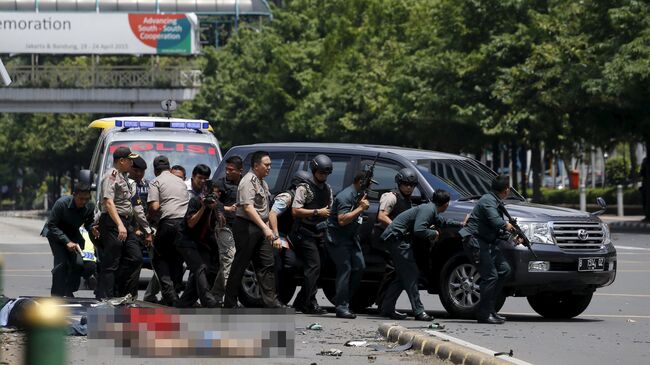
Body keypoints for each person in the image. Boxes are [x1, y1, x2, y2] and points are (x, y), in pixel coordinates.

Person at [380, 190, 463, 320]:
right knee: (412, 275)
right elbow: (419, 230)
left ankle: (387, 308)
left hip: (397, 240)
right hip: (397, 240)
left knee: (401, 277)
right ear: (446, 204)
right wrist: (433, 233)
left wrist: (461, 224)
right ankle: (419, 311)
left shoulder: (431, 209)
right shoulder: (428, 210)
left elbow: (443, 222)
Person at [224, 151, 284, 308]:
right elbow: (248, 208)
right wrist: (265, 228)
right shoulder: (247, 181)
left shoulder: (262, 182)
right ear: (256, 165)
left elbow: (265, 209)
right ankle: (229, 303)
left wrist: (270, 230)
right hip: (247, 226)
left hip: (261, 227)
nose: (269, 167)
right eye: (266, 164)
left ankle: (270, 302)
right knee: (241, 265)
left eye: (270, 164)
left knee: (267, 263)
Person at [96, 147, 152, 299]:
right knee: (111, 263)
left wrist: (147, 230)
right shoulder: (111, 176)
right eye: (129, 160)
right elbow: (108, 202)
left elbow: (135, 205)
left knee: (136, 258)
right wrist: (120, 224)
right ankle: (105, 297)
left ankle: (122, 293)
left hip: (126, 224)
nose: (131, 163)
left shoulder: (124, 178)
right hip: (113, 223)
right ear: (121, 161)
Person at [459, 175, 514, 324]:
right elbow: (495, 221)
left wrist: (512, 237)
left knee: (504, 270)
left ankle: (490, 309)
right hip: (476, 242)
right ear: (506, 190)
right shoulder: (488, 201)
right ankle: (484, 314)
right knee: (490, 276)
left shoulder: (495, 200)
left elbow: (496, 229)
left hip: (487, 243)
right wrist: (507, 226)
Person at [290, 155, 334, 314]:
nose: (324, 176)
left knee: (319, 269)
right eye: (321, 173)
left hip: (319, 233)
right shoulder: (304, 188)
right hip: (305, 233)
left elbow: (329, 208)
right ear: (314, 171)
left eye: (326, 174)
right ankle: (308, 303)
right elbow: (295, 211)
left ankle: (302, 301)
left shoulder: (328, 189)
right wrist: (317, 211)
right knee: (313, 267)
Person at [175, 167, 221, 308]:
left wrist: (216, 209)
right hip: (185, 240)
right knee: (200, 268)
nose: (214, 196)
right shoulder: (196, 201)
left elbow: (221, 223)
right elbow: (190, 223)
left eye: (217, 193)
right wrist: (203, 208)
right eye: (212, 193)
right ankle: (207, 299)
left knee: (205, 270)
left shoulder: (217, 205)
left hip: (201, 243)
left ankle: (185, 302)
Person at [373, 168, 419, 310]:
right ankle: (382, 303)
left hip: (397, 240)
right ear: (399, 183)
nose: (409, 187)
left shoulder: (407, 200)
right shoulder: (391, 196)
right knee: (392, 271)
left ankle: (386, 305)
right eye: (405, 184)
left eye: (412, 185)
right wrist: (396, 226)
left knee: (396, 273)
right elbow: (382, 216)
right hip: (386, 240)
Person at [147, 156, 190, 306]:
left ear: (154, 170)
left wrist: (149, 218)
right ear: (169, 168)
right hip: (184, 226)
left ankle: (169, 294)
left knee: (159, 258)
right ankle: (174, 292)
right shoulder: (181, 182)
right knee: (177, 259)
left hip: (168, 224)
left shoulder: (156, 181)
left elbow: (154, 207)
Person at [326, 172, 370, 319]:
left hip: (351, 238)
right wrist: (360, 209)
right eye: (367, 183)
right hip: (338, 237)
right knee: (345, 269)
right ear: (360, 182)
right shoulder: (346, 196)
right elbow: (342, 220)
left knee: (359, 266)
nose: (369, 187)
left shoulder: (358, 194)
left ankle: (341, 299)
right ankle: (341, 307)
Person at [41, 182, 95, 297]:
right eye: (81, 199)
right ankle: (57, 295)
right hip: (55, 234)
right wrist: (67, 242)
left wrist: (94, 229)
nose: (83, 202)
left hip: (73, 234)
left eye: (86, 199)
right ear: (74, 195)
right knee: (61, 265)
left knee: (79, 264)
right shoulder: (61, 204)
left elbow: (89, 224)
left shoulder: (90, 206)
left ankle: (68, 290)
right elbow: (52, 225)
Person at [268, 170, 312, 304]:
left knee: (290, 265)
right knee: (277, 266)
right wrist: (275, 237)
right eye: (305, 186)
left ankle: (282, 298)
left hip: (287, 237)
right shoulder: (287, 197)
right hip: (275, 235)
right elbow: (272, 214)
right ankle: (272, 299)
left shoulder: (302, 200)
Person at [210, 156, 242, 303]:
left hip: (240, 228)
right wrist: (226, 208)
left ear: (240, 171)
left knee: (228, 261)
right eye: (226, 169)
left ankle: (215, 295)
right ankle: (231, 298)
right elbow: (211, 200)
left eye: (231, 170)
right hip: (224, 227)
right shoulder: (220, 184)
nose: (228, 172)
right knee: (229, 258)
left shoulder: (246, 183)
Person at [640, 157, 650, 221]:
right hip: (645, 184)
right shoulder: (646, 160)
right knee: (645, 201)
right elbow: (642, 172)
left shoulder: (646, 160)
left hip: (646, 185)